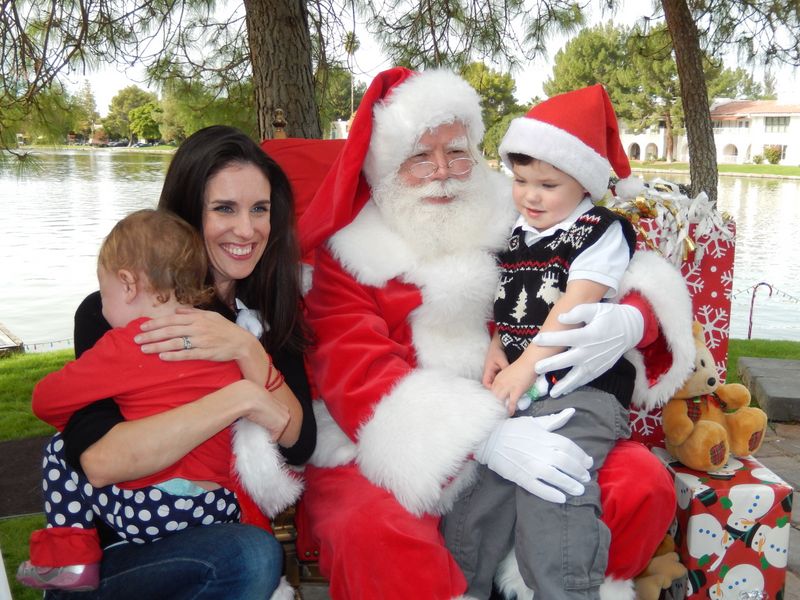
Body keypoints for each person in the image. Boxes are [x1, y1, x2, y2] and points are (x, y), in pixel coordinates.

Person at [295, 67, 695, 600]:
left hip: (535, 402)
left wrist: (632, 321)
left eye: (456, 151)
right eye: (419, 156)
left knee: (640, 484)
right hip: (398, 440)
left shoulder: (516, 205)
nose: (442, 171)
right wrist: (481, 437)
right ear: (385, 166)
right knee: (373, 530)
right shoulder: (350, 254)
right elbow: (356, 375)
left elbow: (620, 261)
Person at [30, 125, 316, 600]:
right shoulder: (114, 317)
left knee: (253, 554)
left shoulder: (266, 320)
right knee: (252, 556)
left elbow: (298, 443)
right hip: (120, 556)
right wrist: (240, 398)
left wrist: (246, 350)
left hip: (215, 538)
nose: (247, 229)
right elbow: (100, 461)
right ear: (187, 212)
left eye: (259, 209)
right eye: (224, 208)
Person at [442, 85, 643, 600]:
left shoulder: (599, 231)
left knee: (556, 484)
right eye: (521, 180)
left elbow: (573, 305)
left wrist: (524, 366)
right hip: (522, 382)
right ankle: (463, 586)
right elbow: (510, 298)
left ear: (585, 184)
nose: (531, 195)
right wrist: (496, 344)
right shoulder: (517, 231)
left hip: (584, 388)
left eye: (548, 184)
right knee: (479, 490)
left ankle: (565, 591)